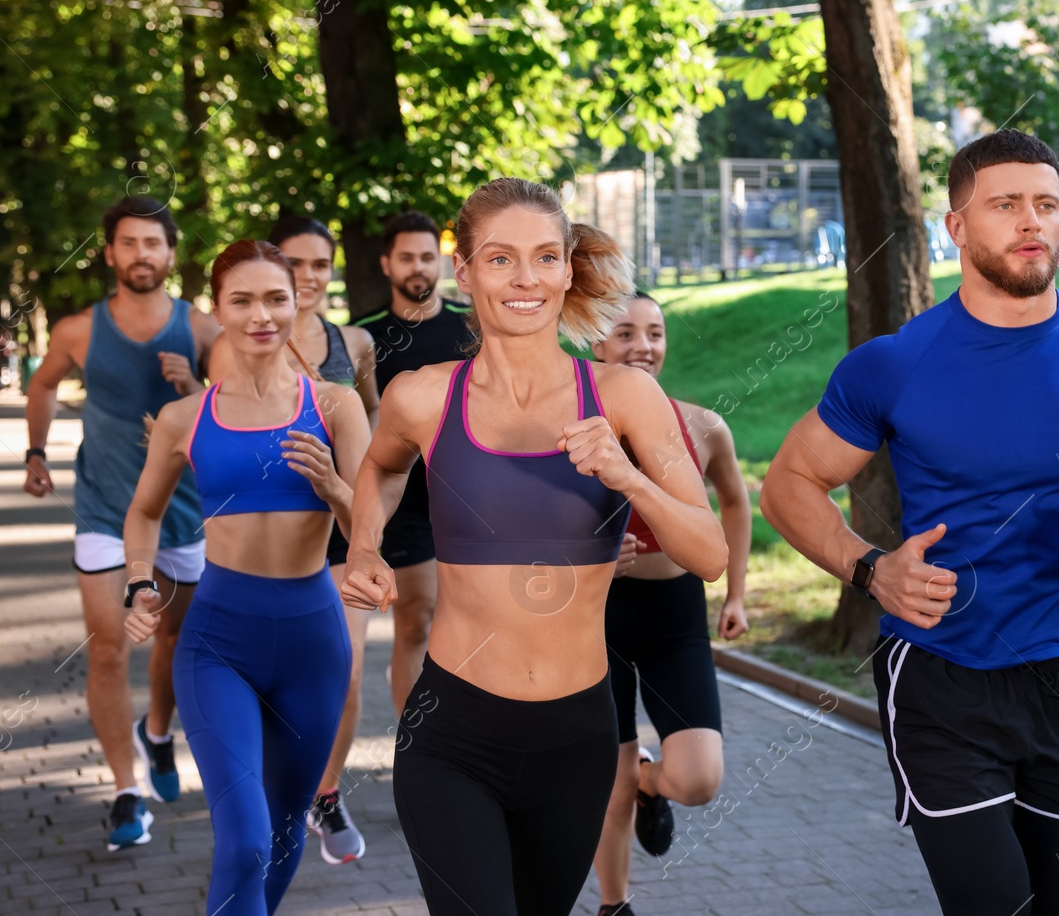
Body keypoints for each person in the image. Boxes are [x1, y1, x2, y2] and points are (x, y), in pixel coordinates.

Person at [759, 129, 1059, 916]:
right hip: (943, 677)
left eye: (1047, 204)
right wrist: (870, 568)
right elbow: (789, 484)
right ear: (958, 227)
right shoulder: (894, 363)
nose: (1030, 221)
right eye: (1005, 204)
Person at [342, 178, 728, 916]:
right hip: (451, 731)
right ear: (466, 272)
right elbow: (381, 468)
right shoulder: (423, 395)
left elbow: (709, 553)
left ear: (568, 268)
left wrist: (627, 477)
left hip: (575, 737)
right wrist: (365, 545)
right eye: (501, 258)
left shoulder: (622, 395)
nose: (527, 279)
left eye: (546, 257)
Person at [123, 239, 370, 916]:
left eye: (275, 298)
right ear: (219, 309)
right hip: (217, 641)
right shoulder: (186, 416)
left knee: (287, 829)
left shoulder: (337, 405)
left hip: (312, 641)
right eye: (243, 299)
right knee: (245, 840)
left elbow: (371, 524)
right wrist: (138, 583)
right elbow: (143, 514)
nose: (261, 314)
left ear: (298, 303)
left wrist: (333, 485)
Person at [22, 196, 220, 851]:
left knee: (173, 636)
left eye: (153, 243)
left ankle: (156, 731)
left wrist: (195, 386)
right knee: (108, 646)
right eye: (128, 243)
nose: (142, 254)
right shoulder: (79, 330)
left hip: (183, 512)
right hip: (104, 506)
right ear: (108, 252)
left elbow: (241, 407)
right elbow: (45, 383)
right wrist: (36, 452)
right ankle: (125, 791)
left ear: (171, 252)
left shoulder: (202, 329)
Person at [207, 215, 380, 864]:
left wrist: (365, 489)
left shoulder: (352, 341)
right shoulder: (243, 338)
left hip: (341, 522)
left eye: (320, 265)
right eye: (296, 265)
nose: (309, 277)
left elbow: (374, 421)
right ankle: (262, 795)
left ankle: (325, 794)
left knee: (349, 670)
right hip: (272, 538)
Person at [310, 210, 472, 861]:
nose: (418, 268)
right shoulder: (362, 340)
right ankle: (323, 786)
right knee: (343, 661)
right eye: (406, 257)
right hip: (367, 507)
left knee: (419, 628)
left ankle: (417, 757)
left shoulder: (469, 330)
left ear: (441, 259)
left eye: (428, 256)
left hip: (440, 512)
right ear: (385, 265)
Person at [588, 293, 751, 916]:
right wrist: (589, 551)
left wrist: (734, 592)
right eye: (625, 334)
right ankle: (613, 903)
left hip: (675, 616)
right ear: (596, 345)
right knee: (609, 781)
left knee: (698, 780)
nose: (643, 347)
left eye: (654, 333)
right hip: (597, 615)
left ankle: (649, 781)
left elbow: (735, 504)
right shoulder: (575, 431)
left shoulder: (704, 426)